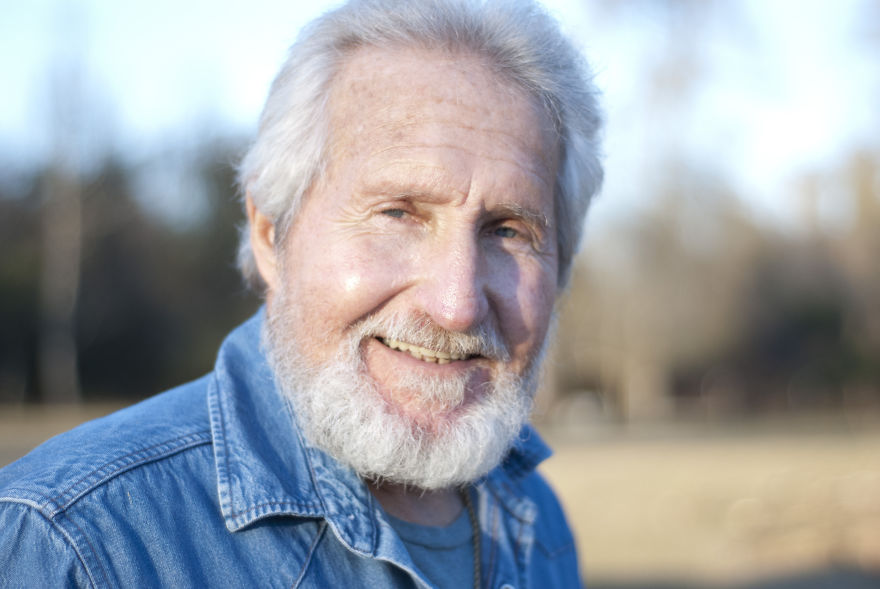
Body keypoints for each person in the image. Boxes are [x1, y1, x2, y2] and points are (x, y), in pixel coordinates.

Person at [0, 0, 602, 586]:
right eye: (398, 213)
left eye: (507, 231)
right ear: (270, 233)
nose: (456, 305)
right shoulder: (76, 546)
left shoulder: (533, 517)